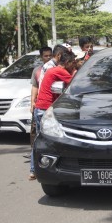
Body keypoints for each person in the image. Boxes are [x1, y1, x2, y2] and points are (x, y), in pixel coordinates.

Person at [30, 51, 76, 181]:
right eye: (72, 63)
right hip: (45, 109)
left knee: (38, 141)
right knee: (48, 142)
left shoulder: (53, 70)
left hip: (40, 108)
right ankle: (45, 169)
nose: (72, 65)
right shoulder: (60, 71)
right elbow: (75, 82)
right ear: (66, 62)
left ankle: (33, 170)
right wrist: (76, 71)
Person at [25, 46, 52, 160]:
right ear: (42, 57)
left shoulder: (56, 69)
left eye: (50, 55)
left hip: (52, 104)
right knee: (36, 133)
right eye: (46, 56)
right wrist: (32, 102)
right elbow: (34, 87)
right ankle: (35, 159)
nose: (48, 57)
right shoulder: (37, 70)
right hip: (40, 105)